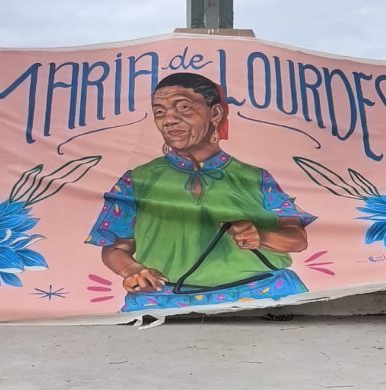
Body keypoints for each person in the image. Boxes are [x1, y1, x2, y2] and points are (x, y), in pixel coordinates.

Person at [86, 72, 316, 313]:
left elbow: (298, 239)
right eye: (160, 112)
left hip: (262, 295)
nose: (169, 120)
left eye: (184, 107)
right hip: (164, 300)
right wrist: (133, 270)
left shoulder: (256, 178)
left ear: (215, 113)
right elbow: (116, 247)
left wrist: (263, 236)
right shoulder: (137, 179)